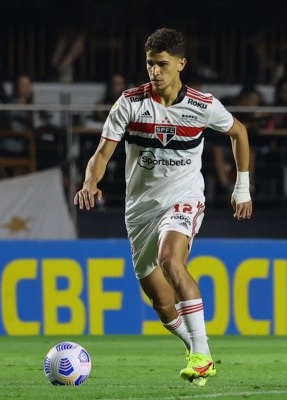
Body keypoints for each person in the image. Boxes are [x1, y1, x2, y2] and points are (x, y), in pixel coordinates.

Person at [74, 28, 253, 384]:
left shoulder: (202, 105)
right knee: (160, 300)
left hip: (184, 197)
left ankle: (201, 354)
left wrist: (243, 188)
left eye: (162, 64)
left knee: (172, 259)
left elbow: (239, 133)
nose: (155, 72)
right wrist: (90, 182)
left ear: (181, 64)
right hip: (140, 209)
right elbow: (103, 152)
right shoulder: (129, 103)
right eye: (150, 64)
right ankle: (195, 347)